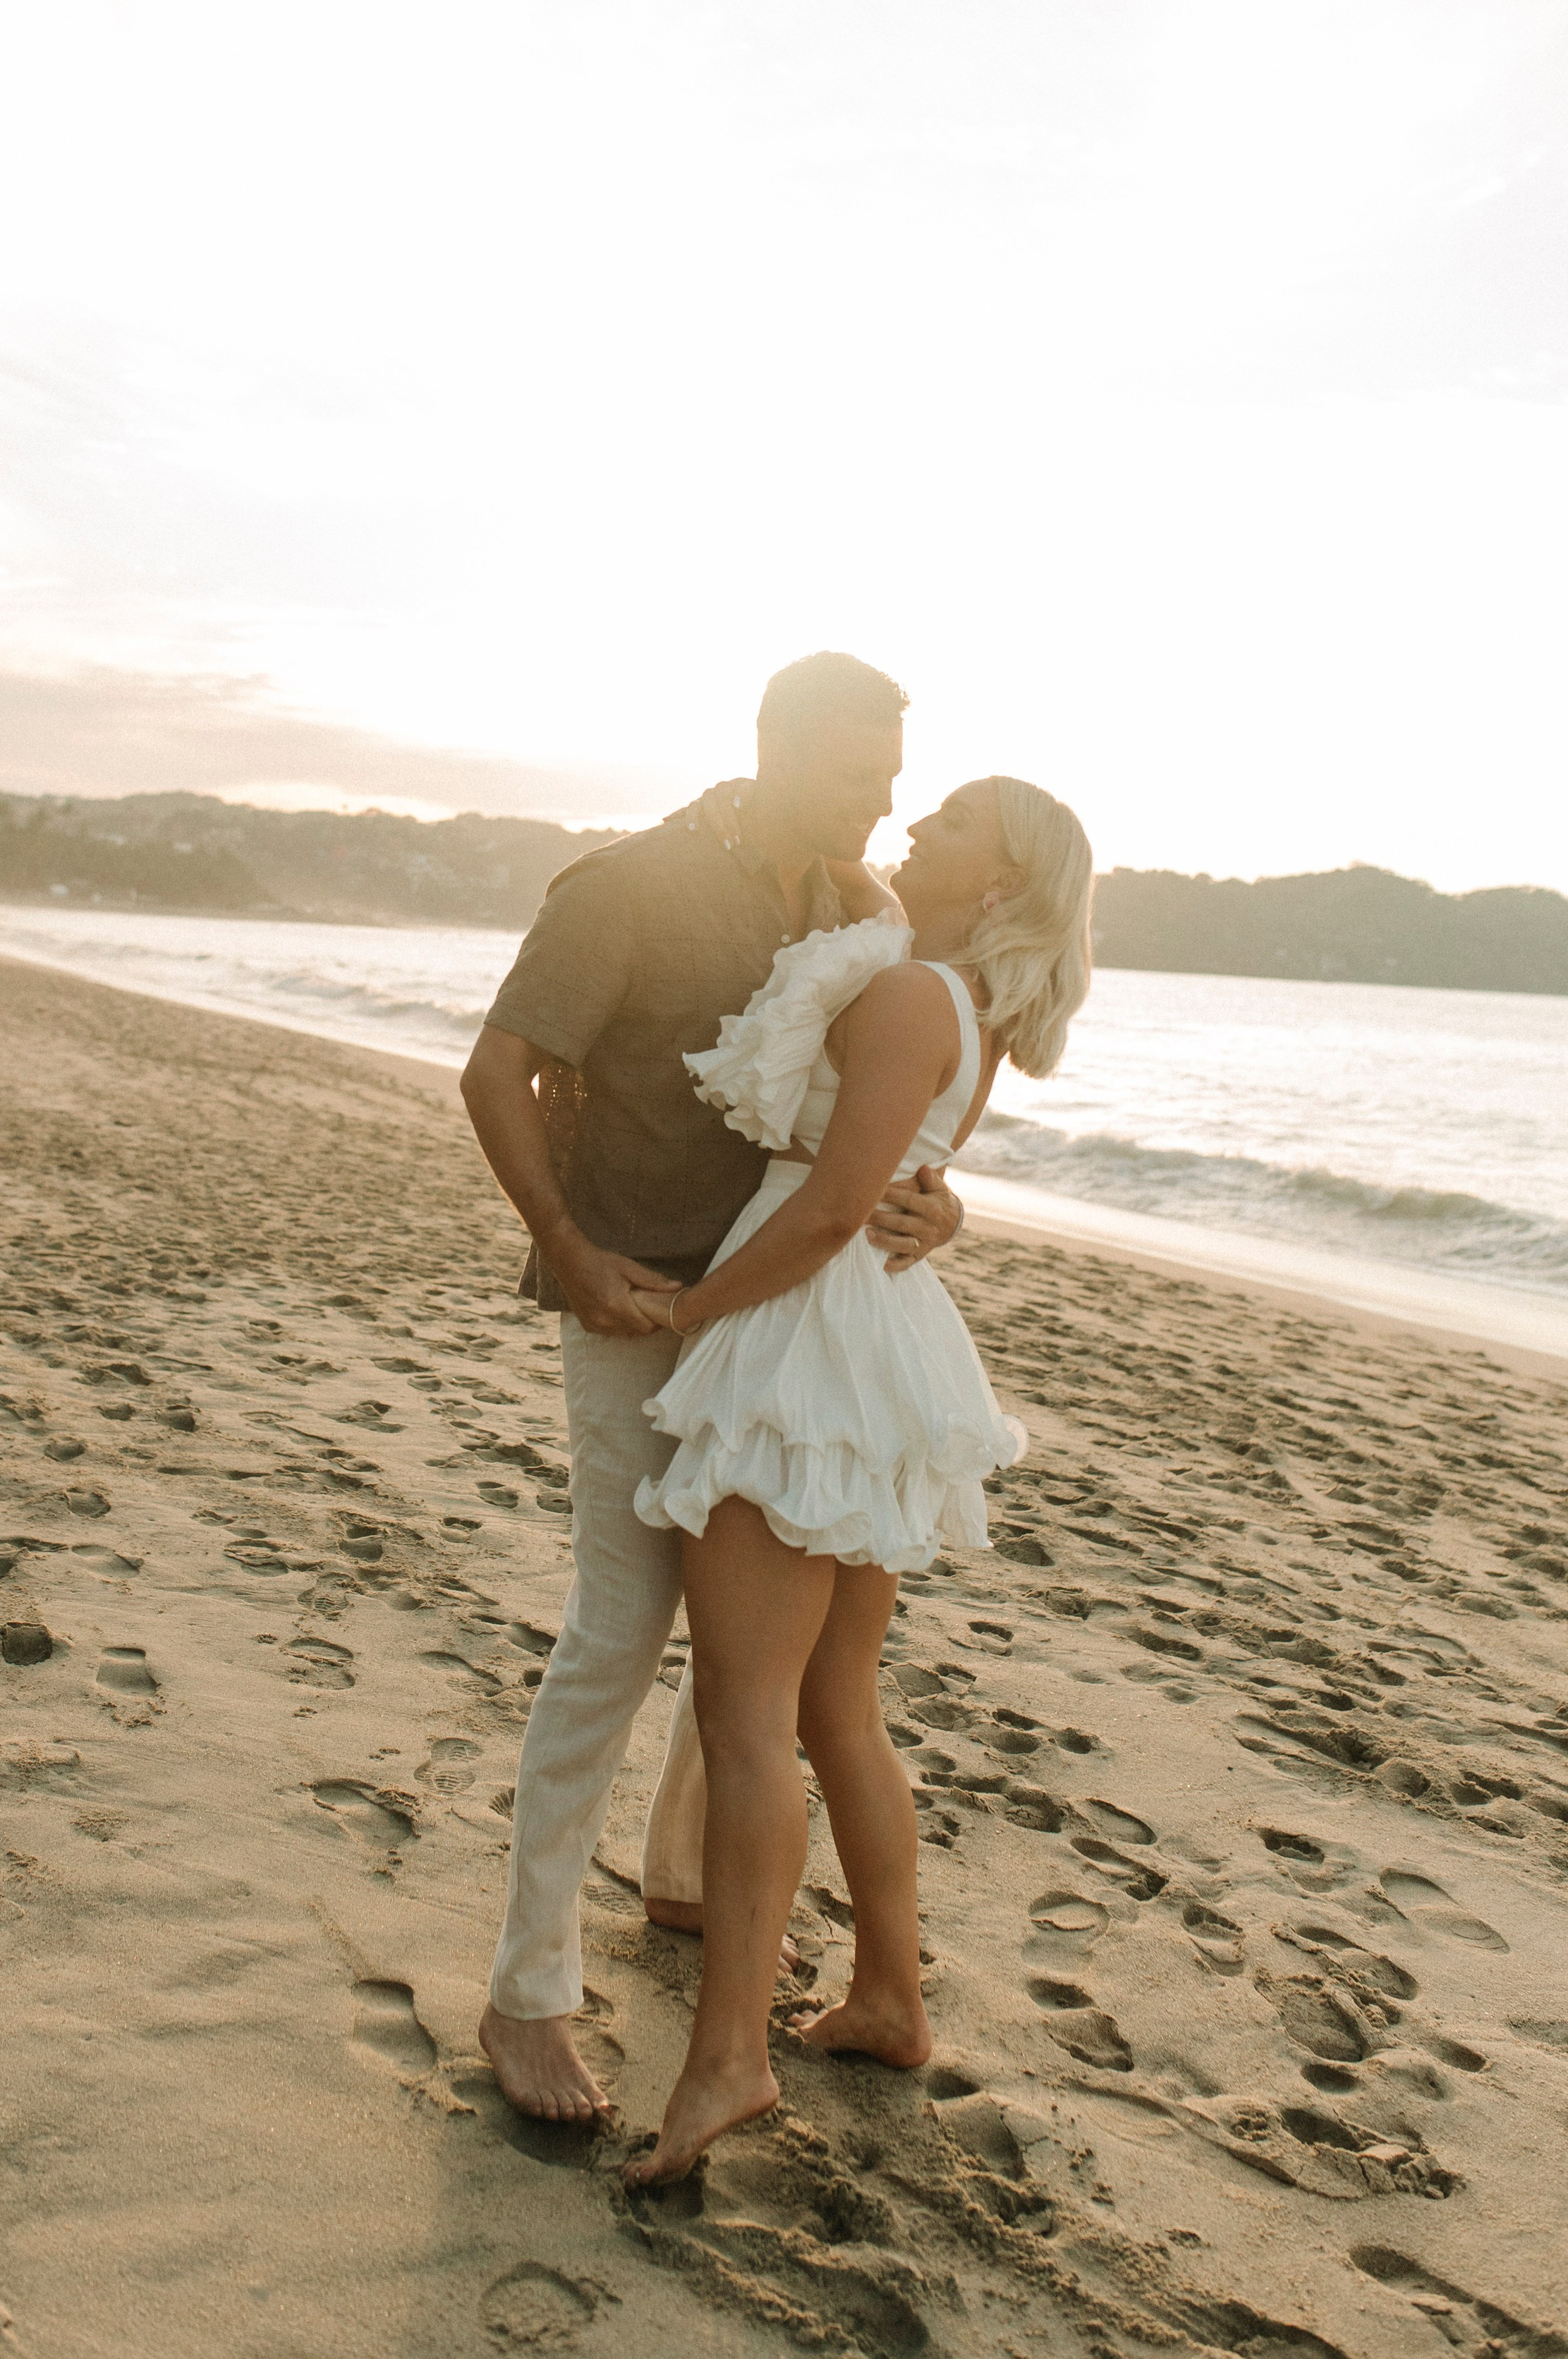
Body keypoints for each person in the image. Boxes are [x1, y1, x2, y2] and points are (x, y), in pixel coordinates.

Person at [459, 653, 966, 2123]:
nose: (884, 804)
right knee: (620, 1629)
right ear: (783, 751)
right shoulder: (622, 888)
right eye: (863, 775)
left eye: (892, 784)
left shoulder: (854, 908)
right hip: (631, 1298)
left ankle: (682, 1877)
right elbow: (497, 1073)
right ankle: (527, 1997)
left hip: (786, 1316)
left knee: (753, 1637)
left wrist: (943, 1208)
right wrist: (566, 1244)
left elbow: (887, 1110)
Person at [621, 773, 1094, 2185]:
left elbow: (833, 1203)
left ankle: (728, 2064)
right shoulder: (955, 999)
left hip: (805, 1333)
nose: (919, 828)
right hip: (870, 1341)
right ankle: (888, 1998)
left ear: (1002, 881)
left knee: (752, 1711)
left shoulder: (908, 997)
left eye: (952, 822)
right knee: (834, 1702)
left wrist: (680, 1316)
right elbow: (900, 1170)